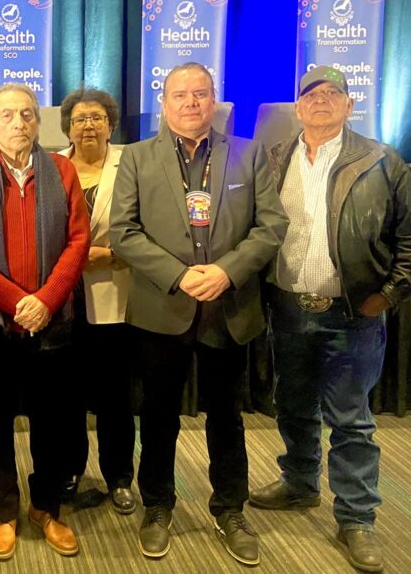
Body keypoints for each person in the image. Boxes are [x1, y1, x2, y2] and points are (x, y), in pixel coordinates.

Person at [250, 66, 411, 573]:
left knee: (351, 421)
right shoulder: (274, 157)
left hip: (352, 314)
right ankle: (300, 482)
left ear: (351, 106)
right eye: (312, 94)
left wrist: (388, 295)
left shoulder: (382, 161)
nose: (323, 100)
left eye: (334, 93)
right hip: (287, 307)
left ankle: (356, 518)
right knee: (292, 405)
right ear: (298, 106)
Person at [109, 62, 287, 566]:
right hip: (162, 307)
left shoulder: (248, 155)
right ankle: (158, 507)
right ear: (163, 103)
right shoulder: (137, 158)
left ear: (215, 102)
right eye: (180, 95)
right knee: (159, 414)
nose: (191, 103)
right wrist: (179, 274)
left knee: (227, 417)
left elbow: (271, 226)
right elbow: (124, 230)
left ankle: (229, 508)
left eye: (201, 94)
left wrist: (226, 272)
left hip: (228, 308)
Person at [0, 83, 90, 561]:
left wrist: (46, 301)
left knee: (52, 421)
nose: (18, 124)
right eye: (7, 116)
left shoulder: (63, 171)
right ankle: (3, 511)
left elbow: (78, 243)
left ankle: (46, 507)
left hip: (53, 323)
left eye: (27, 115)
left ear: (39, 122)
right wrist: (17, 302)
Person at [56, 87, 136, 514]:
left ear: (111, 123)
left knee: (114, 394)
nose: (88, 125)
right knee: (66, 393)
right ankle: (69, 468)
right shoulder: (51, 166)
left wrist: (112, 254)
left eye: (97, 117)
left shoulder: (134, 163)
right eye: (80, 118)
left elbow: (151, 224)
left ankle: (120, 475)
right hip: (61, 299)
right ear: (67, 126)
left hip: (116, 291)